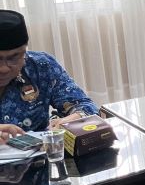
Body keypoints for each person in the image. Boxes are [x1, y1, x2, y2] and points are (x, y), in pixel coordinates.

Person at [0, 9, 99, 145]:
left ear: (24, 51)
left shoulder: (41, 66)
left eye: (14, 57)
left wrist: (72, 119)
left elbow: (86, 106)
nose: (4, 68)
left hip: (41, 154)